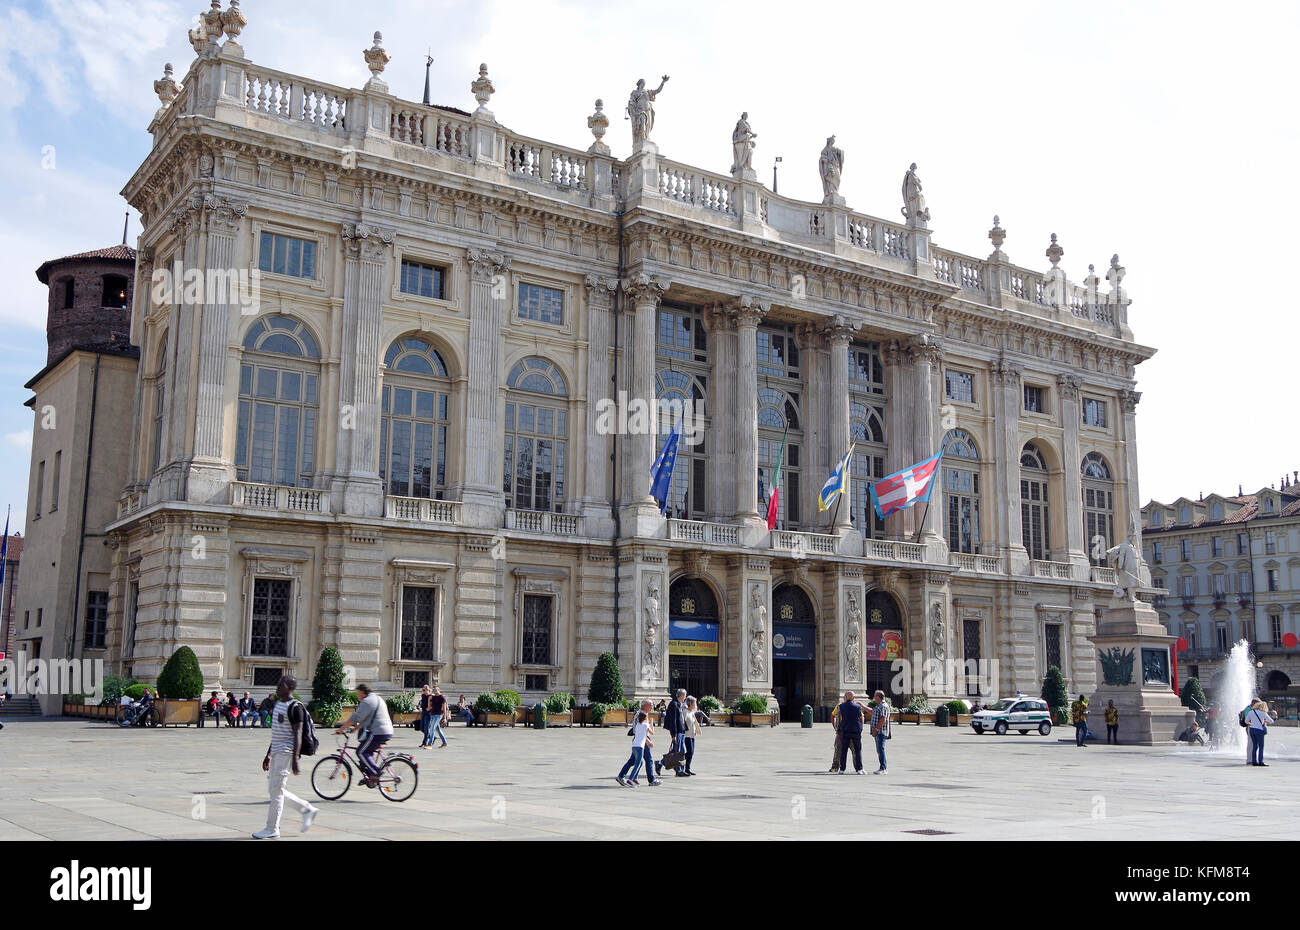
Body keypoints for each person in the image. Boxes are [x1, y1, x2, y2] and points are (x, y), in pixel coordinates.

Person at [252, 675, 318, 839]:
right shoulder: (279, 704)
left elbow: (298, 733)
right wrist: (268, 755)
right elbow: (276, 734)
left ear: (289, 687)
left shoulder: (296, 707)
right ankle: (306, 809)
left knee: (276, 791)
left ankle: (272, 829)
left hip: (286, 753)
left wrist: (295, 759)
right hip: (277, 752)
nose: (277, 687)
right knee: (274, 789)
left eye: (281, 685)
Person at [336, 683, 394, 787]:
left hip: (377, 732)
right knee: (367, 751)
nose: (357, 696)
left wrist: (341, 729)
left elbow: (355, 717)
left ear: (363, 692)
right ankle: (369, 777)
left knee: (361, 752)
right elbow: (366, 718)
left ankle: (376, 772)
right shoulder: (377, 698)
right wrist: (355, 728)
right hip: (385, 730)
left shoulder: (367, 701)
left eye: (357, 693)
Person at [658, 688, 690, 777]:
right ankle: (675, 769)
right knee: (677, 751)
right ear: (681, 695)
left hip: (681, 730)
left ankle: (678, 769)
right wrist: (673, 734)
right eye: (685, 695)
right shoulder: (674, 704)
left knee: (680, 751)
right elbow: (673, 721)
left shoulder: (679, 704)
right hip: (677, 732)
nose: (685, 697)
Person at [617, 711, 653, 786]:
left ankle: (634, 778)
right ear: (645, 718)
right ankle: (630, 780)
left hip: (634, 746)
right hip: (640, 747)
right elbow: (652, 732)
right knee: (638, 763)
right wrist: (651, 723)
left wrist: (648, 741)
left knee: (641, 762)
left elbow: (641, 734)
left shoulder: (637, 725)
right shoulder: (645, 725)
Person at [835, 690, 866, 774]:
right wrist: (860, 729)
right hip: (856, 731)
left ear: (846, 697)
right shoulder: (858, 707)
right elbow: (861, 718)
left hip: (845, 731)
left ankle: (842, 769)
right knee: (857, 750)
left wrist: (837, 730)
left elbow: (838, 719)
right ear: (853, 698)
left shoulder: (841, 707)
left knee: (843, 750)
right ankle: (859, 769)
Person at [1246, 699, 1276, 766]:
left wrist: (1252, 723)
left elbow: (1246, 721)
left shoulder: (1251, 712)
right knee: (1261, 746)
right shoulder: (1263, 713)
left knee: (1254, 746)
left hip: (1252, 730)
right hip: (1259, 730)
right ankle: (1260, 761)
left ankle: (1254, 761)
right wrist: (1265, 721)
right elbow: (1271, 721)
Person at [683, 696, 707, 776]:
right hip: (686, 735)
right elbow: (683, 722)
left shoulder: (691, 712)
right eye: (694, 703)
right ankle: (678, 762)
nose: (695, 704)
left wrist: (696, 730)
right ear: (690, 703)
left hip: (692, 734)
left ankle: (687, 768)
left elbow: (694, 723)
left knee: (691, 752)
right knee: (690, 752)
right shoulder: (685, 712)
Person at [869, 691, 891, 774]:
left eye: (875, 696)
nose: (874, 697)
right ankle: (882, 767)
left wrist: (876, 729)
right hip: (878, 732)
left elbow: (883, 719)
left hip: (881, 732)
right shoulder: (879, 705)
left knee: (880, 749)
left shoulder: (883, 706)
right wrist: (862, 705)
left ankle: (883, 768)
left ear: (878, 697)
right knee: (879, 750)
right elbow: (872, 712)